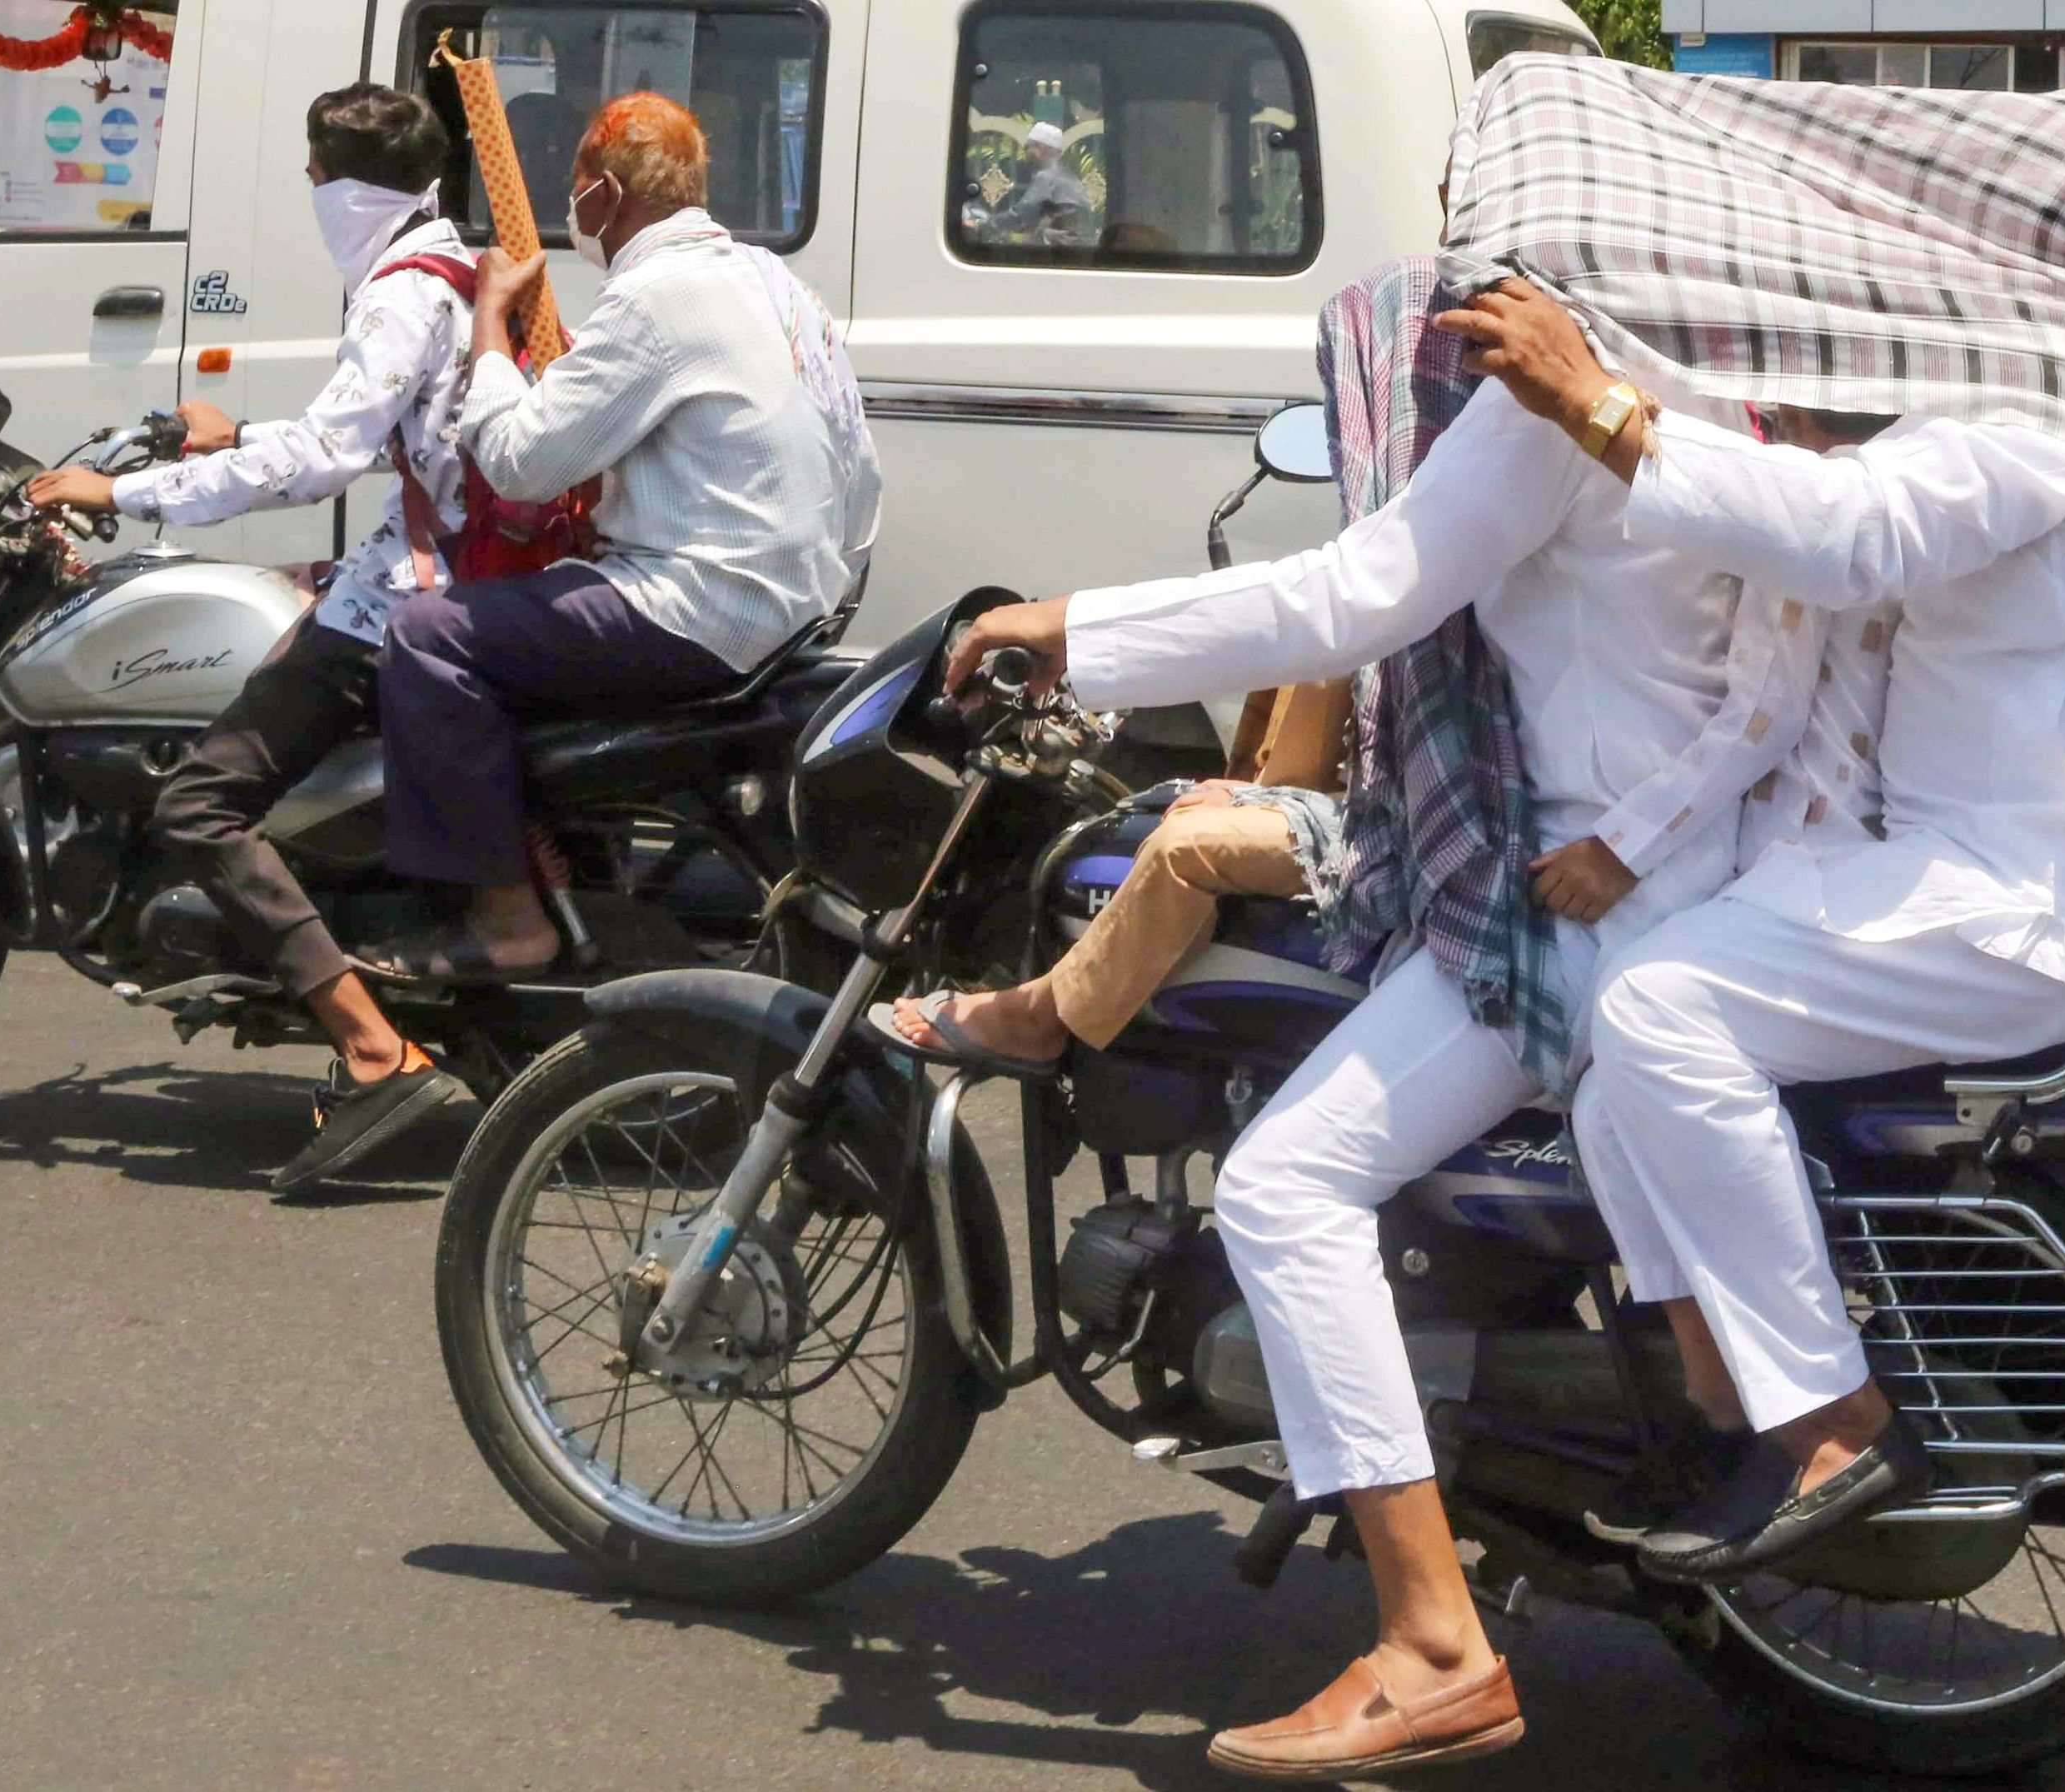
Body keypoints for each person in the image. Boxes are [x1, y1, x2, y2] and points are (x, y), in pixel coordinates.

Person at [1419, 59, 2065, 1582]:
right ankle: (1712, 1397)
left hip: (2049, 885)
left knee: (1667, 1011)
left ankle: (1826, 1421)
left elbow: (1850, 534)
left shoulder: (2062, 396)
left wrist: (1592, 402)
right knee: (1628, 1066)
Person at [935, 253, 1818, 1777]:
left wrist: (1066, 624)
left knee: (1282, 1185)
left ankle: (1430, 1636)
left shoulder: (1555, 396)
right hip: (1688, 868)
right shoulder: (1713, 365)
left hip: (1571, 903)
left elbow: (1349, 592)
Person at [25, 82, 476, 1189]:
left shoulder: (398, 298)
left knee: (200, 799)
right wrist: (243, 430)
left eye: (318, 172)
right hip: (439, 570)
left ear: (351, 187)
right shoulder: (452, 263)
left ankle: (375, 1050)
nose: (310, 189)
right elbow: (367, 435)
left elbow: (325, 459)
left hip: (404, 597)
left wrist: (129, 490)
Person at [363, 92, 880, 981]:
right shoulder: (774, 281)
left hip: (701, 612)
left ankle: (505, 921)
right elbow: (860, 468)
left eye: (576, 194)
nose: (573, 215)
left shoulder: (652, 299)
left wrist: (489, 325)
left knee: (427, 635)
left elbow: (521, 460)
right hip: (802, 604)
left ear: (601, 196)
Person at [886, 677, 1350, 1065]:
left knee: (1185, 848)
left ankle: (1039, 1018)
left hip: (1384, 833)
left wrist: (1274, 803)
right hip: (1352, 809)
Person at [980, 119, 1091, 247]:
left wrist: (984, 224)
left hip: (1059, 250)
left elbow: (1021, 215)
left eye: (1028, 147)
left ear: (1041, 147)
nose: (1025, 152)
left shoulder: (1048, 177)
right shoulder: (1068, 178)